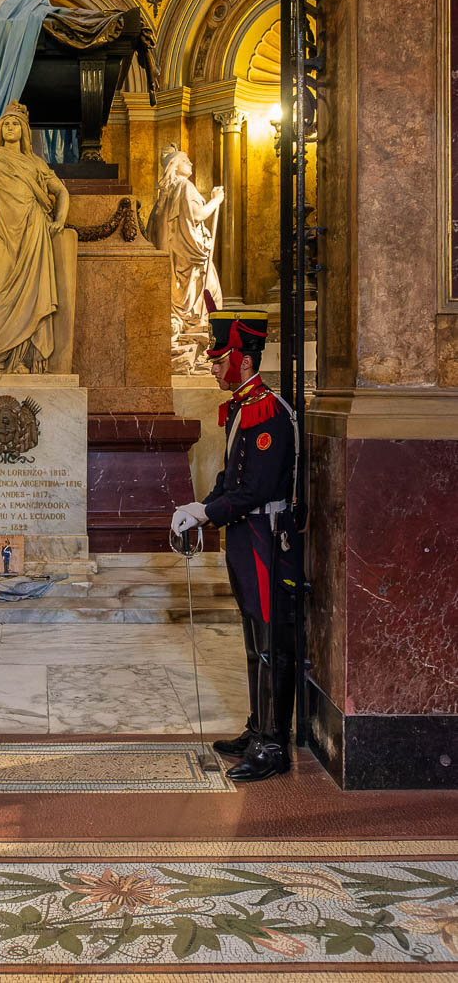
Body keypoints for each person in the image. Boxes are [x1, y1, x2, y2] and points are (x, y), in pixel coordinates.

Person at [171, 305, 300, 782]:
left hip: (266, 538)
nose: (210, 365)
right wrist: (199, 508)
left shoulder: (268, 412)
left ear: (243, 360)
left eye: (217, 356)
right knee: (252, 638)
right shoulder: (244, 407)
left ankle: (274, 745)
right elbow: (229, 480)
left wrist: (206, 513)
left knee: (271, 639)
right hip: (244, 536)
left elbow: (256, 491)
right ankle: (257, 726)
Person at [0, 100, 71, 374]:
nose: (10, 127)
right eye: (6, 123)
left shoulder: (35, 162)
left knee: (30, 298)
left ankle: (20, 360)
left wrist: (59, 220)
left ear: (24, 131)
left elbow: (62, 192)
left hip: (32, 235)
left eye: (15, 124)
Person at [146, 146, 224, 361]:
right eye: (185, 159)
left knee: (195, 302)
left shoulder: (165, 194)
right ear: (175, 165)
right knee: (212, 298)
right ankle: (198, 351)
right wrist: (216, 200)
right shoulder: (185, 186)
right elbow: (198, 214)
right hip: (191, 259)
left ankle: (186, 344)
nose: (190, 163)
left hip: (176, 259)